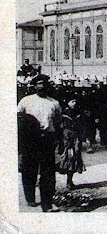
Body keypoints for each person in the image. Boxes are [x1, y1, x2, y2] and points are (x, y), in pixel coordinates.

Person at [17, 74, 62, 212]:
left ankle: (47, 203)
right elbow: (18, 119)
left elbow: (58, 122)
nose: (42, 87)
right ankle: (30, 198)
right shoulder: (26, 101)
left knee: (48, 172)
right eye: (39, 84)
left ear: (48, 86)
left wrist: (59, 142)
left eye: (44, 84)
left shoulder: (54, 103)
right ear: (35, 86)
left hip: (47, 139)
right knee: (29, 170)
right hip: (30, 140)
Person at [58, 95, 86, 189]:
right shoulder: (64, 113)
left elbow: (82, 125)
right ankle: (68, 181)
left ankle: (70, 180)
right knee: (68, 157)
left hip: (76, 137)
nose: (75, 103)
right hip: (67, 138)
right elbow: (61, 127)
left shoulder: (79, 112)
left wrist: (82, 137)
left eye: (75, 101)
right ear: (68, 102)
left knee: (76, 156)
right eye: (72, 101)